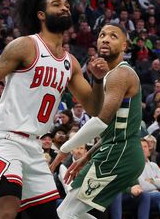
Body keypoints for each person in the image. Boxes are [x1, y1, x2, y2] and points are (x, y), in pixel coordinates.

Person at [0, 0, 98, 219]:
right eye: (57, 4)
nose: (65, 8)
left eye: (67, 5)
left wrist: (98, 80)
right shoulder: (26, 45)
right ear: (41, 14)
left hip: (34, 147)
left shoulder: (71, 63)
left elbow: (95, 108)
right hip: (4, 138)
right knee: (6, 210)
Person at [50, 24, 145, 218]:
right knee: (70, 214)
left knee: (65, 214)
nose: (106, 39)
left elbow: (101, 121)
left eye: (113, 36)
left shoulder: (121, 73)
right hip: (117, 151)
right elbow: (110, 128)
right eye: (102, 35)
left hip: (119, 153)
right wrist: (86, 156)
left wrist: (64, 149)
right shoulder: (110, 75)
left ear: (124, 46)